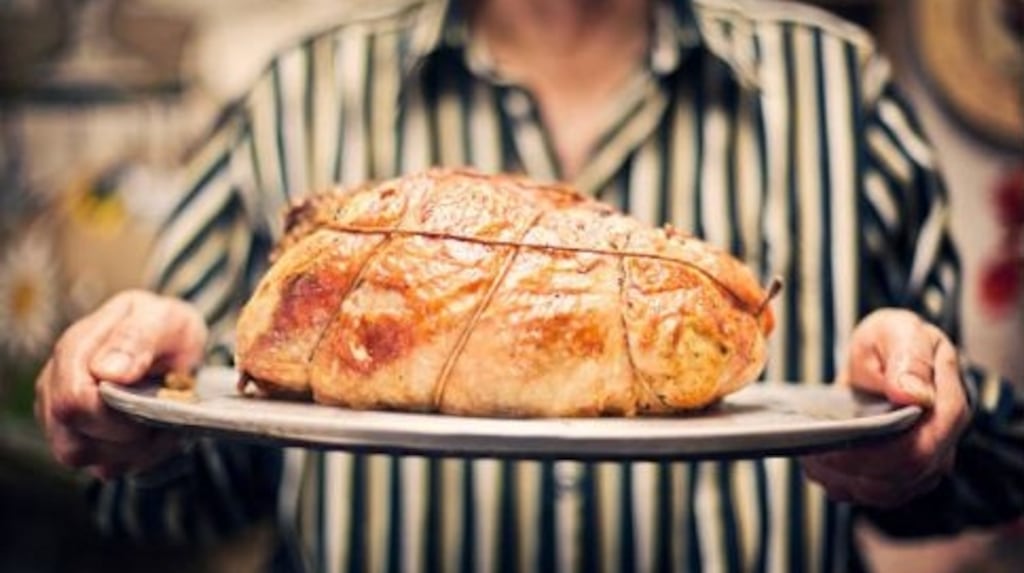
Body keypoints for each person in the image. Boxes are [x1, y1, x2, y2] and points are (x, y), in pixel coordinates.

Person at [34, 0, 1024, 571]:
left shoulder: (833, 89)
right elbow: (181, 501)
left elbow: (988, 457)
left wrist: (928, 431)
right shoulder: (293, 97)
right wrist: (135, 421)